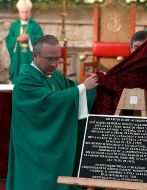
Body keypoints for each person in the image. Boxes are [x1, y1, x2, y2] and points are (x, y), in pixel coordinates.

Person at [6, 35, 98, 190]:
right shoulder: (24, 82)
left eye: (58, 59)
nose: (54, 64)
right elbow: (49, 101)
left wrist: (97, 86)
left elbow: (72, 89)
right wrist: (82, 89)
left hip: (45, 148)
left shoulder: (54, 76)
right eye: (49, 59)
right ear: (35, 55)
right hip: (32, 150)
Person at [5, 0, 43, 84]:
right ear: (19, 13)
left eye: (26, 12)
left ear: (29, 13)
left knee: (31, 80)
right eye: (22, 12)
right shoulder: (14, 25)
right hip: (17, 57)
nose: (25, 14)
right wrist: (17, 39)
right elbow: (8, 39)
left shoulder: (35, 25)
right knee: (17, 78)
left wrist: (29, 38)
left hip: (30, 57)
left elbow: (41, 38)